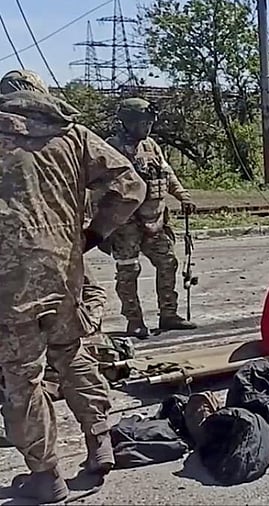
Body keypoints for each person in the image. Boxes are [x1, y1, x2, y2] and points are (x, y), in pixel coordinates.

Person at [0, 69, 146, 502]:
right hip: (65, 270)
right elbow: (130, 186)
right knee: (71, 351)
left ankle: (45, 475)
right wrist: (92, 234)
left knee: (22, 377)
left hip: (9, 282)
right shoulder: (74, 135)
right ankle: (99, 441)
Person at [104, 97, 197, 338]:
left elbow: (167, 174)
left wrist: (183, 196)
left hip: (155, 220)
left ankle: (169, 315)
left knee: (168, 263)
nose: (148, 128)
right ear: (128, 123)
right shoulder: (110, 148)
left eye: (149, 123)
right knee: (128, 270)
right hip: (126, 223)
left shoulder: (151, 146)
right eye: (143, 123)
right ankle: (134, 320)